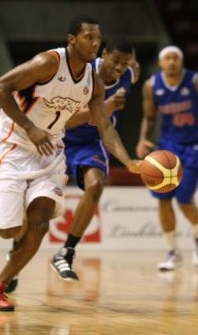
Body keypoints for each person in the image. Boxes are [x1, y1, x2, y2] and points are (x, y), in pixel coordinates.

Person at [0, 15, 141, 311]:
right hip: (14, 147)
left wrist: (129, 161)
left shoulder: (93, 81)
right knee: (9, 229)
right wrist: (29, 127)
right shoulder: (48, 62)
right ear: (72, 40)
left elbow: (104, 126)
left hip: (50, 151)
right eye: (89, 38)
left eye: (97, 38)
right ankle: (4, 212)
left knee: (40, 224)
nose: (95, 43)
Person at [51, 37, 140, 281]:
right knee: (37, 202)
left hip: (92, 141)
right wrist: (106, 108)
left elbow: (135, 70)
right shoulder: (83, 73)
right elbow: (65, 121)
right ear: (104, 54)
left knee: (96, 185)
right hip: (61, 138)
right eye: (116, 61)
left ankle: (66, 251)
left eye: (126, 62)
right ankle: (16, 249)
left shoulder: (129, 74)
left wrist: (129, 160)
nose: (120, 67)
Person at [136, 45, 198, 271]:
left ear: (182, 61)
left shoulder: (196, 82)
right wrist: (143, 139)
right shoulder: (151, 85)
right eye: (168, 58)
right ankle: (172, 252)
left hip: (195, 146)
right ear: (161, 63)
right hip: (168, 147)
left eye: (176, 58)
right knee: (163, 198)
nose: (172, 61)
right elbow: (149, 116)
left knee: (184, 199)